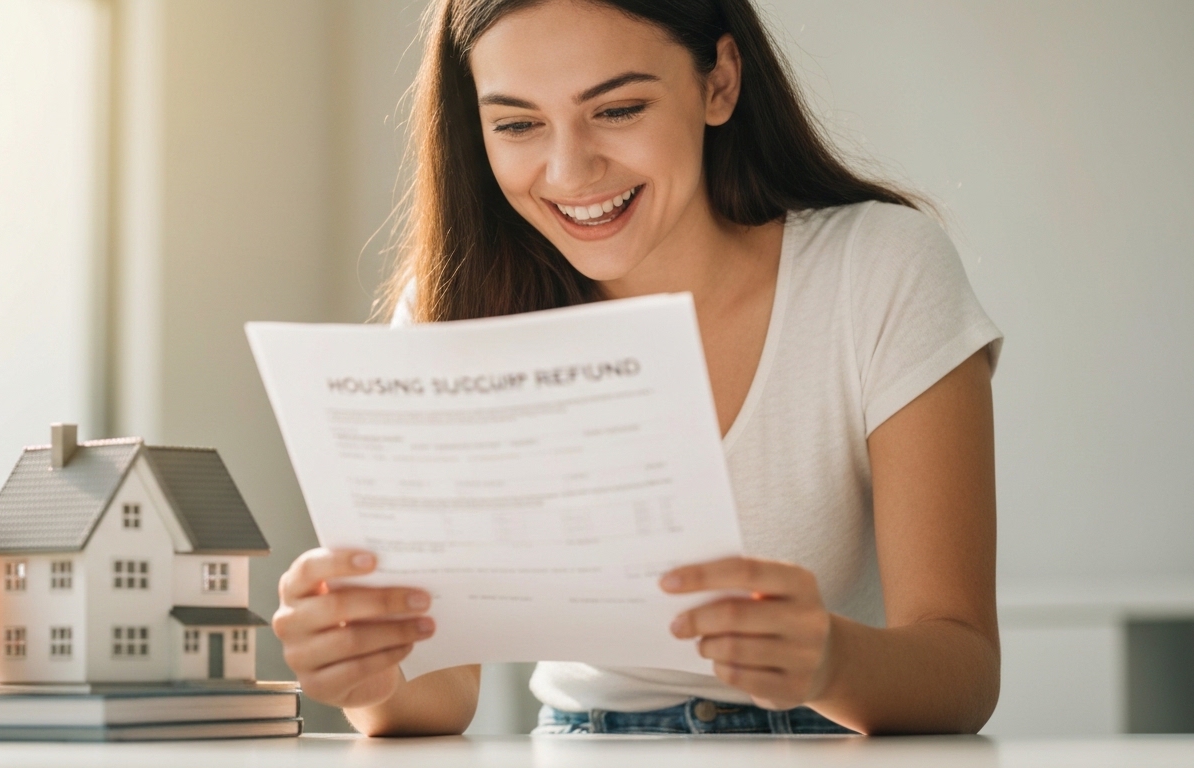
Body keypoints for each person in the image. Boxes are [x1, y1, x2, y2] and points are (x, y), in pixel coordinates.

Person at [272, 0, 1002, 736]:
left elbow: (964, 669)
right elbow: (440, 698)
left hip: (831, 740)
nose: (570, 171)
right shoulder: (453, 308)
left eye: (617, 109)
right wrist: (369, 677)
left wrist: (829, 663)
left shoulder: (879, 269)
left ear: (719, 82)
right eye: (518, 124)